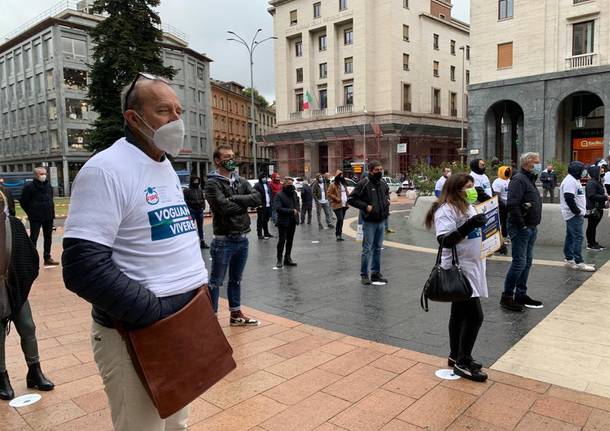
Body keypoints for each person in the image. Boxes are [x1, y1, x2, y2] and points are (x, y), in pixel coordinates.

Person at [62, 74, 209, 429]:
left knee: (177, 424)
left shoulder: (164, 166)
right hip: (136, 336)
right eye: (163, 111)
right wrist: (152, 312)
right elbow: (83, 266)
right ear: (133, 118)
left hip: (182, 327)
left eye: (178, 110)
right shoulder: (106, 169)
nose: (176, 120)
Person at [424, 173, 488, 382]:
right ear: (455, 190)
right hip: (459, 269)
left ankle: (455, 354)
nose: (471, 190)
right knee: (475, 316)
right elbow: (445, 240)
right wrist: (470, 225)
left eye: (473, 186)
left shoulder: (468, 206)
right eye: (467, 187)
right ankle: (464, 360)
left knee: (459, 313)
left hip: (473, 265)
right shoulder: (446, 210)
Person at [0, 189, 54, 401]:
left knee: (28, 327)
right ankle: (2, 375)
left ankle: (34, 370)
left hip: (15, 287)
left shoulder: (13, 224)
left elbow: (28, 255)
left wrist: (20, 282)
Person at [205, 144, 261, 324]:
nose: (231, 160)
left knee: (236, 280)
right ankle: (211, 318)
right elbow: (222, 208)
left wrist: (235, 199)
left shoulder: (240, 181)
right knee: (216, 281)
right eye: (227, 157)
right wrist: (244, 204)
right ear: (217, 161)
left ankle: (235, 314)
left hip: (242, 238)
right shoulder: (212, 183)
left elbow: (257, 198)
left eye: (232, 156)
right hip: (224, 240)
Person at [502, 152, 544, 312]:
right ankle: (507, 296)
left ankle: (521, 294)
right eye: (537, 162)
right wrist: (523, 226)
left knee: (526, 262)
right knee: (519, 262)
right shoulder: (519, 180)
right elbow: (512, 205)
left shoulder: (529, 180)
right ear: (528, 163)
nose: (539, 165)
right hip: (521, 228)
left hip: (531, 227)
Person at [348, 161, 390, 285]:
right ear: (371, 170)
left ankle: (375, 273)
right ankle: (364, 274)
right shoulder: (364, 183)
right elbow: (351, 199)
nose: (380, 172)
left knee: (377, 248)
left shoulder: (383, 183)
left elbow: (386, 194)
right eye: (377, 170)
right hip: (369, 222)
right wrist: (366, 207)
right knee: (367, 249)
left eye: (381, 169)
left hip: (381, 221)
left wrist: (387, 202)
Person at [560, 161, 596, 272]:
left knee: (571, 236)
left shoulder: (574, 180)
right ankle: (579, 262)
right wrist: (576, 211)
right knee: (578, 237)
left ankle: (570, 259)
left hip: (575, 215)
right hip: (573, 215)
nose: (584, 172)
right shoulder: (570, 181)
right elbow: (569, 198)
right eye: (582, 170)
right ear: (577, 170)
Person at [20, 167, 58, 266]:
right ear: (36, 175)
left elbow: (51, 199)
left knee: (48, 237)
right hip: (35, 217)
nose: (43, 175)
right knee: (33, 238)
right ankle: (31, 259)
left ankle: (47, 257)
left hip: (48, 216)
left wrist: (52, 213)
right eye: (41, 174)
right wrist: (31, 212)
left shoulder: (48, 185)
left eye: (44, 173)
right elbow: (23, 202)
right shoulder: (29, 187)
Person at [274, 177, 300, 268]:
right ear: (284, 185)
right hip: (283, 221)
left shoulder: (294, 193)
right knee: (282, 241)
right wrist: (291, 211)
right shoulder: (279, 195)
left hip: (293, 221)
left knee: (290, 241)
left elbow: (297, 203)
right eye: (289, 184)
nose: (291, 185)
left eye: (292, 184)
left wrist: (297, 210)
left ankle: (287, 258)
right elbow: (278, 208)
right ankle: (279, 259)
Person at [585, 165, 609, 251]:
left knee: (593, 226)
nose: (603, 174)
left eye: (603, 172)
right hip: (593, 208)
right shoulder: (592, 182)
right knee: (591, 226)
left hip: (598, 208)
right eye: (601, 172)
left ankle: (594, 243)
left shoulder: (598, 182)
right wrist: (606, 198)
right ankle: (590, 244)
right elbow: (591, 195)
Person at [183, 175, 208, 249]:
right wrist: (189, 209)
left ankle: (202, 241)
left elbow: (203, 198)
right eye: (195, 181)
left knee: (200, 227)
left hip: (199, 210)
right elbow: (184, 201)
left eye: (197, 181)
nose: (196, 182)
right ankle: (190, 243)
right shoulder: (187, 190)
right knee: (190, 227)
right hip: (192, 211)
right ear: (192, 181)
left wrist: (203, 206)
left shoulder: (200, 189)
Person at [492, 166, 512, 255]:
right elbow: (496, 194)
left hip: (510, 204)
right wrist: (502, 204)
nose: (507, 173)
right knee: (502, 222)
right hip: (502, 205)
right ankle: (500, 239)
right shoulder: (497, 182)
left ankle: (506, 236)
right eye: (506, 171)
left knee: (508, 221)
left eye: (508, 171)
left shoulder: (509, 180)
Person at [327, 170, 349, 241]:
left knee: (341, 220)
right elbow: (329, 193)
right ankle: (337, 235)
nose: (342, 176)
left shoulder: (343, 184)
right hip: (337, 204)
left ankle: (340, 235)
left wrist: (349, 198)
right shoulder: (333, 184)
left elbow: (346, 193)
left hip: (344, 204)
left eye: (342, 175)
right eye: (340, 175)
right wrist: (337, 198)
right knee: (340, 219)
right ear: (337, 176)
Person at [253, 172, 273, 239]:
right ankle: (259, 234)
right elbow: (254, 196)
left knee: (266, 220)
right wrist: (258, 204)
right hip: (261, 206)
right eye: (263, 177)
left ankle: (266, 233)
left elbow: (270, 194)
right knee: (260, 220)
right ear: (260, 178)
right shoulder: (257, 185)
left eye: (265, 177)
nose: (264, 179)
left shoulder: (268, 184)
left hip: (268, 205)